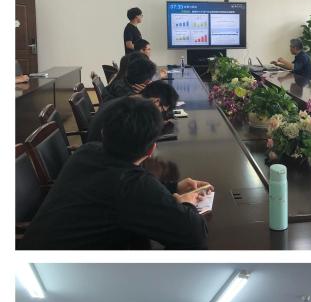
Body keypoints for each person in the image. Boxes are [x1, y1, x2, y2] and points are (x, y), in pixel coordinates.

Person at [22, 96, 212, 250]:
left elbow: (134, 192)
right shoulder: (131, 185)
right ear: (151, 150)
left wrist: (174, 187)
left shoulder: (87, 151)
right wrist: (187, 203)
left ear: (104, 133)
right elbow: (195, 235)